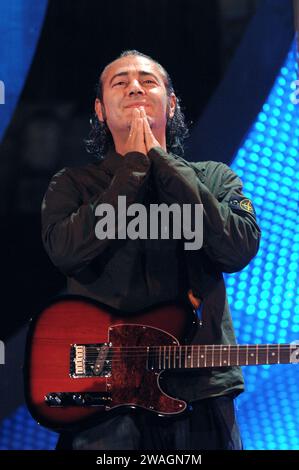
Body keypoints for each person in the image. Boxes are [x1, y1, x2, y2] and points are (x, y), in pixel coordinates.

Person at [41, 50, 261, 450]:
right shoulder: (72, 185)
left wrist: (163, 164)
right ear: (100, 110)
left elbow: (238, 248)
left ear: (171, 103)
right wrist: (134, 170)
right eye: (120, 82)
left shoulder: (216, 177)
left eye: (148, 80)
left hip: (200, 390)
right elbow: (65, 252)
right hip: (103, 394)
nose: (135, 87)